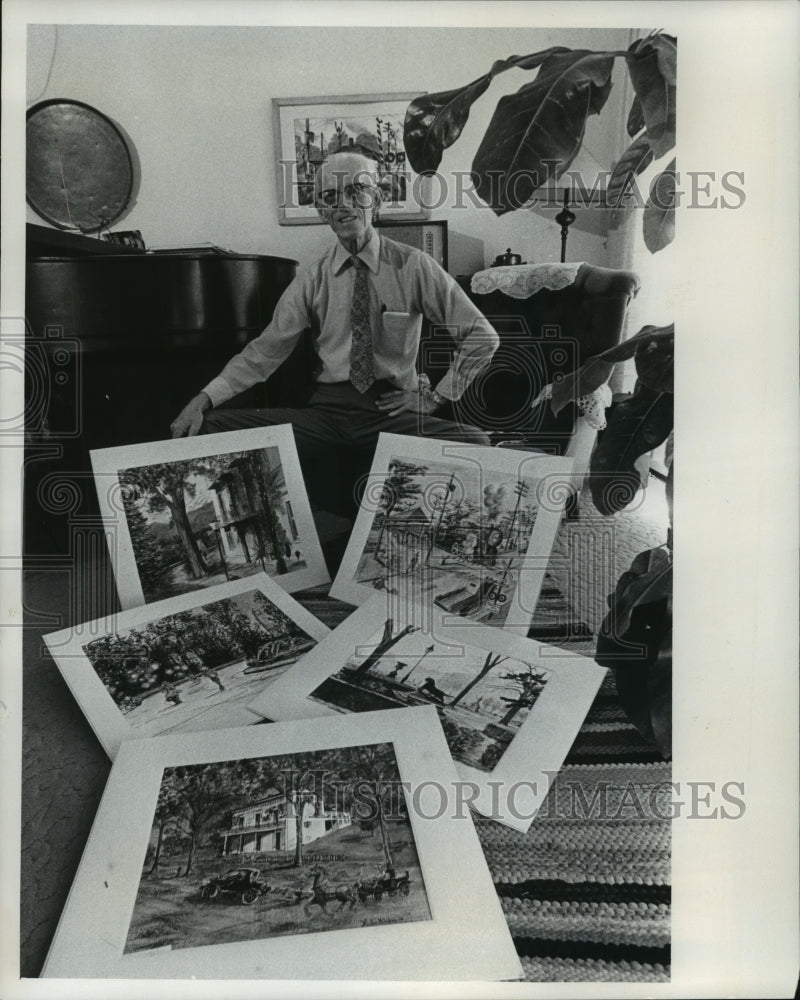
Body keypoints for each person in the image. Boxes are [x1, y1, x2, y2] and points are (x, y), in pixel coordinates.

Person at [170, 152, 499, 516]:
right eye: (330, 196)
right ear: (319, 210)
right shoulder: (312, 279)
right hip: (324, 415)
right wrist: (203, 398)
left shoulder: (414, 266)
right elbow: (265, 351)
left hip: (388, 413)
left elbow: (481, 337)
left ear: (379, 198)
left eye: (357, 191)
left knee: (476, 443)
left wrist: (436, 398)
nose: (343, 205)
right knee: (208, 428)